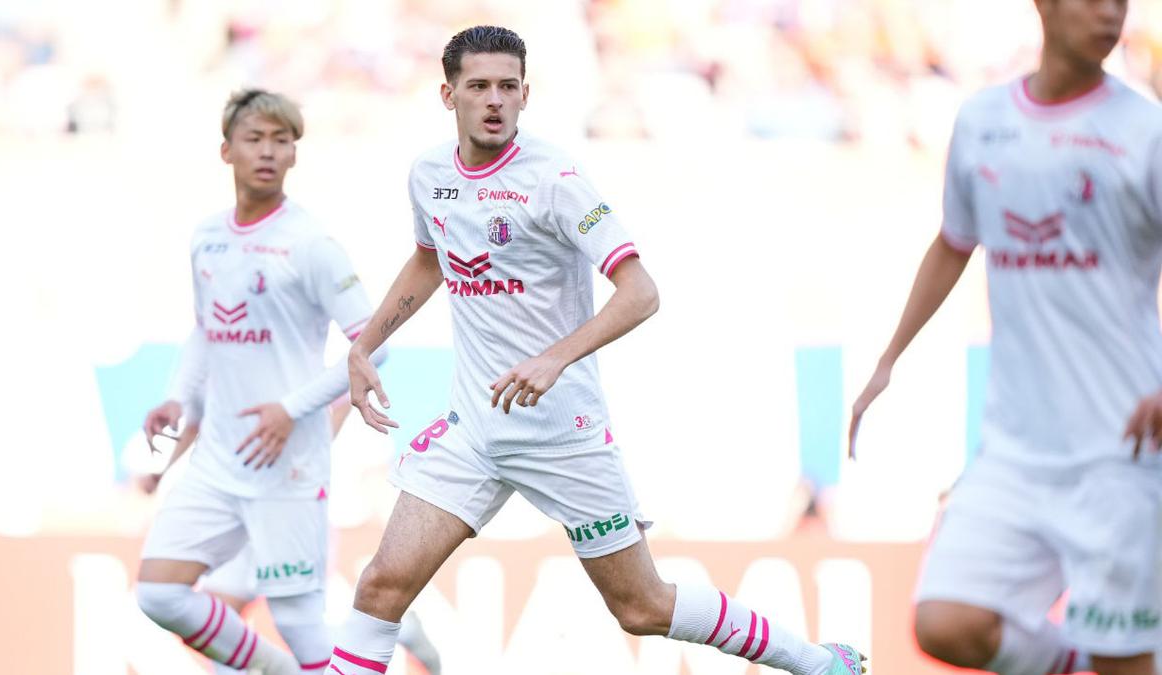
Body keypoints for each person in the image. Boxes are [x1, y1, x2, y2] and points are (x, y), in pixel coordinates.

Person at [326, 25, 866, 675]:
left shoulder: (555, 178)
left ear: (525, 93)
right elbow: (428, 259)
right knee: (381, 587)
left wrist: (557, 356)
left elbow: (641, 291)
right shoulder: (431, 175)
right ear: (449, 95)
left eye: (507, 87)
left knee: (641, 605)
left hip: (563, 432)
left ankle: (815, 662)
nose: (494, 100)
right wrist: (366, 345)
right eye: (478, 87)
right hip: (473, 429)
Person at [848, 2, 1162, 674]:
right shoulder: (983, 122)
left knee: (1125, 662)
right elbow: (954, 241)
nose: (1110, 13)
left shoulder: (1145, 132)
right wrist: (888, 358)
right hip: (1015, 450)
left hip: (1121, 453)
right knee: (945, 621)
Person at [136, 88, 381, 675]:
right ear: (227, 151)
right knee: (158, 593)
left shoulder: (312, 244)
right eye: (255, 139)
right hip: (218, 459)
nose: (269, 152)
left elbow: (374, 346)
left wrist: (290, 410)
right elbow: (204, 329)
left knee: (299, 622)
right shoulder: (207, 238)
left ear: (295, 154)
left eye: (282, 140)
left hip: (288, 465)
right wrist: (176, 394)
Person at [139, 397, 443, 675]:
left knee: (303, 629)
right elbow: (201, 412)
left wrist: (298, 472)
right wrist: (163, 470)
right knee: (221, 615)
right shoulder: (238, 354)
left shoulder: (321, 361)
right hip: (236, 504)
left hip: (293, 511)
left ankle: (401, 632)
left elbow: (343, 411)